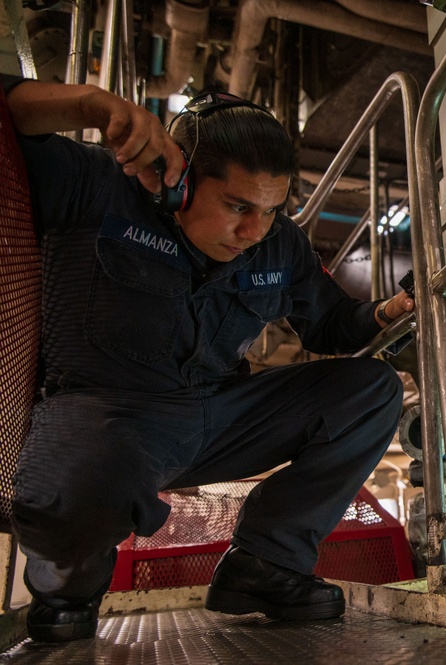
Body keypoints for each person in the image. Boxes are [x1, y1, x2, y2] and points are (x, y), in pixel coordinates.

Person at [0, 74, 415, 643]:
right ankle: (67, 589)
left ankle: (267, 561)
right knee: (79, 480)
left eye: (271, 209)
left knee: (370, 390)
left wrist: (388, 314)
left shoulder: (279, 244)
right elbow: (6, 122)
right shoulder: (97, 186)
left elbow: (333, 325)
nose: (253, 231)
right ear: (179, 183)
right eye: (238, 205)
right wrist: (94, 104)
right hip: (104, 414)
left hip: (218, 418)